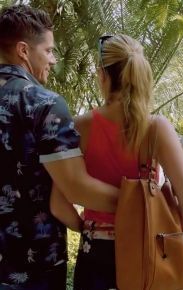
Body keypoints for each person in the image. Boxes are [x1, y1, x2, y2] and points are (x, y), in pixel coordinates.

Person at [50, 34, 183, 290]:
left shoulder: (80, 127)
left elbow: (58, 205)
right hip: (144, 255)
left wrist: (90, 230)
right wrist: (157, 225)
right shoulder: (156, 129)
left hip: (94, 257)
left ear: (102, 75)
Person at [0, 5, 121, 290]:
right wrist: (143, 202)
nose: (53, 60)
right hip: (35, 266)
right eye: (49, 50)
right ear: (23, 50)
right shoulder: (44, 104)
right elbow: (77, 187)